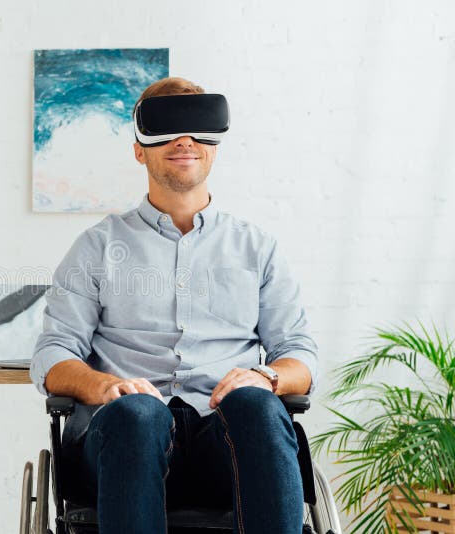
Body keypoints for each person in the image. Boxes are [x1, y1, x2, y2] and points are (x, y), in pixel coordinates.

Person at [30, 77, 318, 534]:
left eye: (197, 128)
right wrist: (105, 387)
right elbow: (52, 354)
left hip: (226, 439)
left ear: (215, 145)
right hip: (123, 441)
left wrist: (267, 375)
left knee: (258, 404)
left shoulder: (257, 248)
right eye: (166, 128)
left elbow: (300, 352)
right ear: (140, 149)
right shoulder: (96, 247)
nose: (184, 140)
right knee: (139, 413)